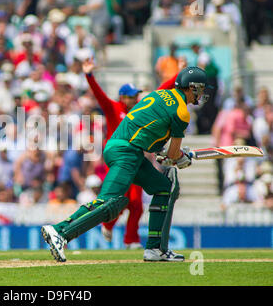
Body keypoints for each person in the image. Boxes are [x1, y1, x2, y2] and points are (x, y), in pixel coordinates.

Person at [42, 66, 209, 262]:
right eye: (202, 88)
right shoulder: (182, 112)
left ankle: (155, 250)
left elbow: (153, 137)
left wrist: (167, 154)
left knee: (164, 188)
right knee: (110, 202)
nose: (203, 93)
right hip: (126, 151)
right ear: (193, 88)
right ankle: (60, 232)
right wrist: (182, 157)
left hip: (128, 150)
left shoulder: (160, 94)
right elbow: (173, 154)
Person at [82, 57, 178, 250]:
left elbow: (161, 91)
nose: (135, 99)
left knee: (136, 203)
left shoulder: (140, 109)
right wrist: (89, 75)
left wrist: (179, 75)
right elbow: (99, 95)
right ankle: (109, 225)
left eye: (136, 96)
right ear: (122, 97)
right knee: (121, 199)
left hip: (134, 158)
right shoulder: (113, 108)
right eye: (132, 96)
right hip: (118, 158)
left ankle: (130, 240)